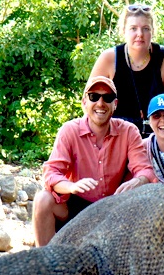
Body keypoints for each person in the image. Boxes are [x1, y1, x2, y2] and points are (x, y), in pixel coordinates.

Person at [34, 76, 156, 246]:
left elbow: (145, 170)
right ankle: (44, 264)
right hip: (75, 204)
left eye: (107, 98)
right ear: (84, 102)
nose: (100, 103)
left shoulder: (129, 131)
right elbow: (51, 172)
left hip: (113, 207)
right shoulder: (69, 130)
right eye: (94, 97)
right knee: (43, 199)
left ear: (115, 104)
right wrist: (71, 186)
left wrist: (139, 180)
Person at [89, 4, 164, 138]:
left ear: (153, 31)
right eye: (133, 29)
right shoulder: (109, 58)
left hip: (155, 140)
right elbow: (89, 105)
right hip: (114, 139)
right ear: (124, 31)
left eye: (145, 29)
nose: (140, 34)